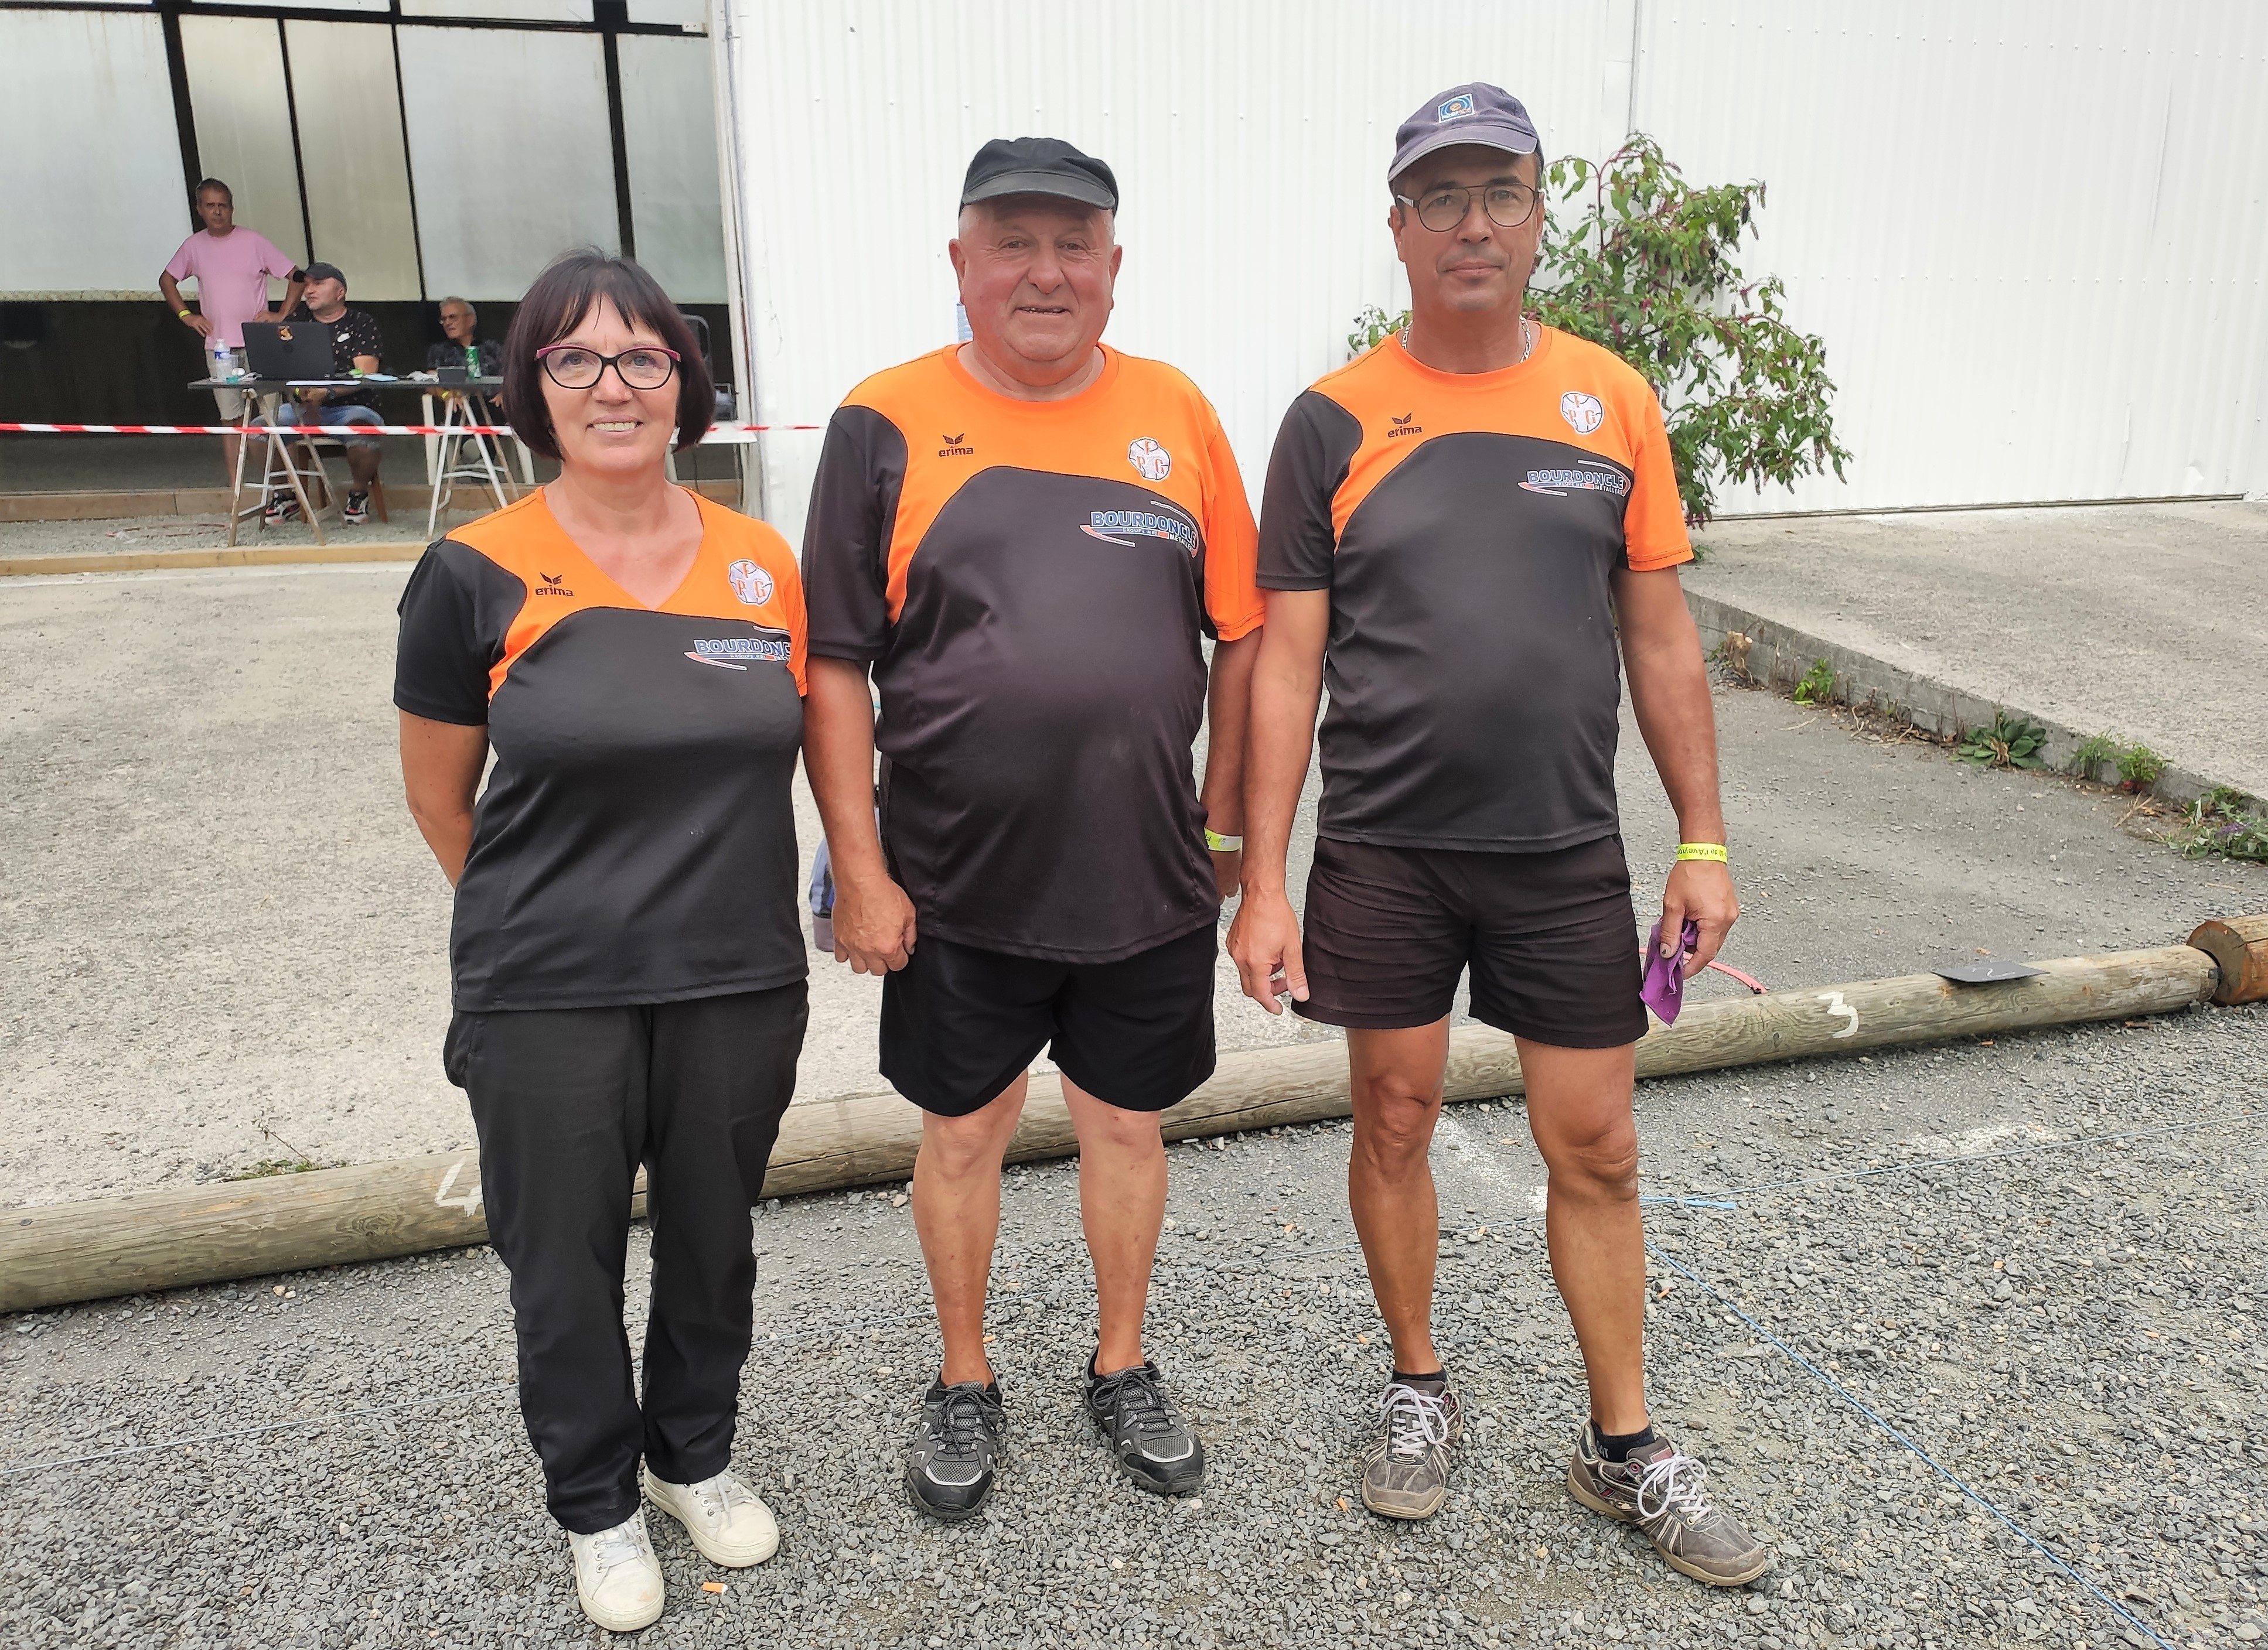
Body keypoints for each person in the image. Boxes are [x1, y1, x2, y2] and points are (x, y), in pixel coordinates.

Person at [1228, 84, 1769, 1586]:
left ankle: (1625, 1441)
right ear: (1398, 226)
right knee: (1393, 1117)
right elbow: (1284, 662)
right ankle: (1417, 1382)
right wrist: (1260, 880)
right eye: (1441, 197)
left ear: (1540, 217)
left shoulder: (1612, 402)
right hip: (1388, 849)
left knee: (1593, 1141)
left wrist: (1705, 841)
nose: (1473, 224)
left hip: (1559, 849)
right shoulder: (1332, 418)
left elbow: (1660, 639)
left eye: (1502, 194)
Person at [801, 136, 1263, 1522]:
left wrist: (1227, 832)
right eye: (1014, 240)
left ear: (1114, 269)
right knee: (963, 1136)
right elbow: (832, 661)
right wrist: (862, 870)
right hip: (954, 886)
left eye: (1075, 243)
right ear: (962, 263)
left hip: (1143, 879)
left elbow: (1244, 639)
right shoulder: (880, 422)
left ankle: (1122, 1362)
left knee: (1129, 1131)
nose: (1045, 270)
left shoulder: (1176, 413)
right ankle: (964, 1374)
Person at [393, 250, 804, 1633]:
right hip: (547, 986)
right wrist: (543, 914)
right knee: (561, 1259)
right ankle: (599, 1503)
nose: (613, 384)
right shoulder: (473, 571)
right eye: (576, 358)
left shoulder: (762, 562)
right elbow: (440, 797)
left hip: (736, 977)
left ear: (685, 383)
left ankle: (691, 1456)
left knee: (712, 1238)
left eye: (642, 357)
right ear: (534, 387)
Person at [158, 178, 303, 483]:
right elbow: (167, 280)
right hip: (220, 347)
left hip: (259, 343)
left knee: (268, 419)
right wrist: (187, 315)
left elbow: (298, 276)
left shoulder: (253, 241)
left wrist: (281, 314)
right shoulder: (193, 246)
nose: (217, 212)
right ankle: (238, 490)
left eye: (223, 205)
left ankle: (279, 490)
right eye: (210, 206)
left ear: (232, 208)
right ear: (200, 209)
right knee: (231, 419)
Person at [265, 262, 387, 524]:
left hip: (351, 406)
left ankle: (358, 494)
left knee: (363, 430)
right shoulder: (294, 323)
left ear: (340, 291)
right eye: (306, 285)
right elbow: (279, 370)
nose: (309, 290)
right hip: (300, 407)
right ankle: (284, 496)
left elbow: (364, 373)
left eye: (318, 284)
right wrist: (300, 392)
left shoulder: (361, 323)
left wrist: (328, 392)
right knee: (259, 430)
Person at [427, 295, 505, 380]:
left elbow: (510, 380)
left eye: (453, 317)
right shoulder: (438, 351)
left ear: (470, 320)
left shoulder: (494, 348)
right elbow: (430, 382)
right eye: (444, 319)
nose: (447, 323)